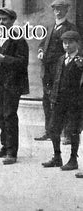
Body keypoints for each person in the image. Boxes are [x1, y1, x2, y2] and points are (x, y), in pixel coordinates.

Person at [0, 8, 29, 165]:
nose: (1, 22)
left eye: (5, 19)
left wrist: (4, 59)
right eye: (0, 19)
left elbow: (23, 62)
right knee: (1, 116)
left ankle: (12, 152)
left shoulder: (18, 38)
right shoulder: (0, 38)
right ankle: (4, 146)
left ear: (13, 21)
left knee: (9, 116)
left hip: (12, 84)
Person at [35, 0, 78, 141]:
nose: (58, 12)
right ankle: (49, 131)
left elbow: (75, 48)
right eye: (55, 9)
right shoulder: (50, 27)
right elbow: (42, 44)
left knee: (63, 101)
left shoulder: (71, 28)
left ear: (66, 10)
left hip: (62, 71)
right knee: (47, 100)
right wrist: (41, 51)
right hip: (47, 71)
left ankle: (67, 134)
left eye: (61, 9)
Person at [42, 31, 83, 171]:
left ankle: (73, 159)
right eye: (65, 43)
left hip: (75, 102)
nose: (67, 45)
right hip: (59, 100)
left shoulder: (81, 60)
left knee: (73, 130)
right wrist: (52, 95)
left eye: (70, 42)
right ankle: (57, 157)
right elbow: (56, 79)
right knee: (53, 128)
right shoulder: (61, 59)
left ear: (77, 43)